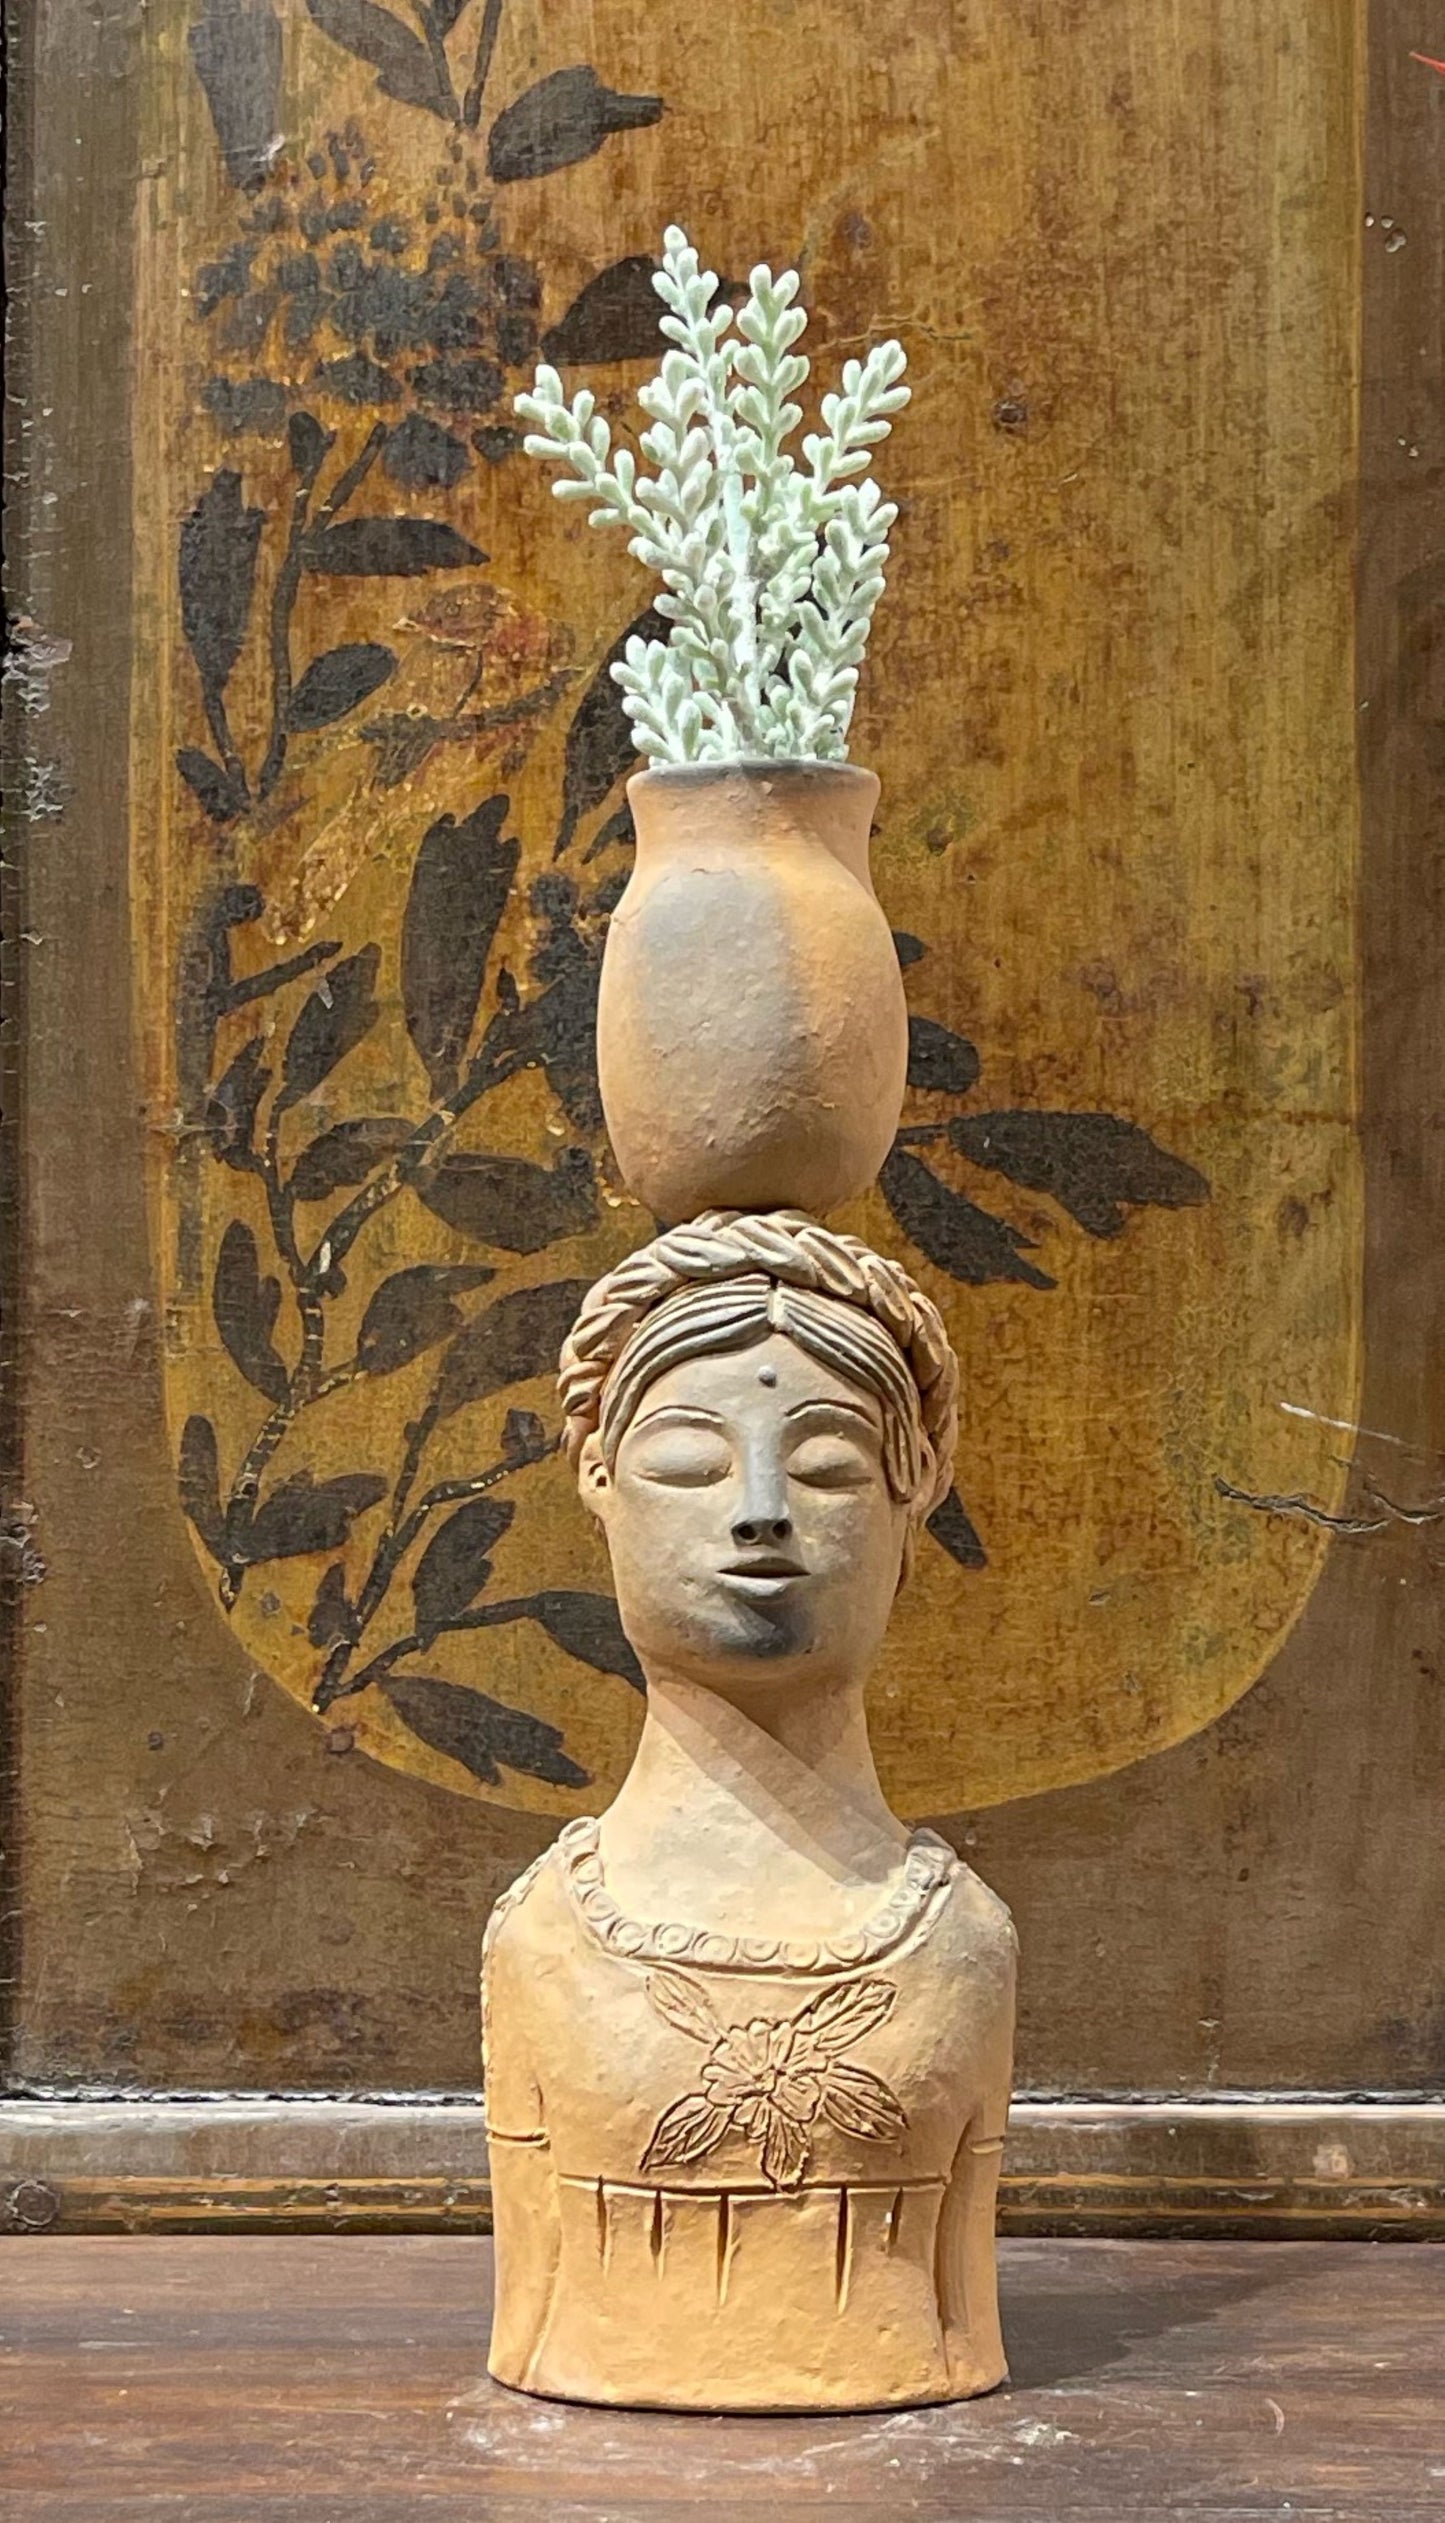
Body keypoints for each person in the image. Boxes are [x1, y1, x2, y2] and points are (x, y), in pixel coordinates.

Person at [484, 1210, 1015, 2411]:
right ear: (599, 1481)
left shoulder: (961, 1942)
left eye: (826, 1465)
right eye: (688, 1463)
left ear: (908, 1495)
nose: (762, 1509)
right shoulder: (543, 1935)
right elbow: (534, 2302)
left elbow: (955, 2307)